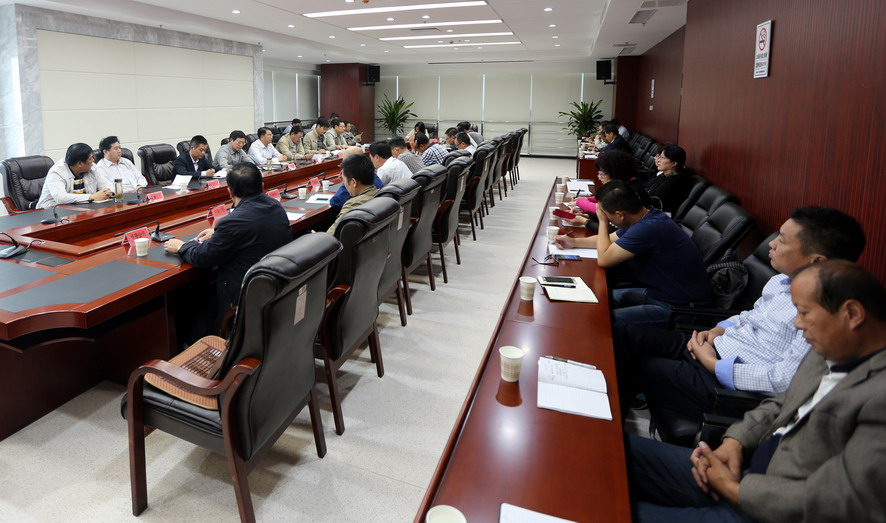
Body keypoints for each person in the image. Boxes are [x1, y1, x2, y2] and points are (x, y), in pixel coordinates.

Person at [626, 260, 886, 522]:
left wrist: (735, 490)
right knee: (620, 453)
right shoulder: (829, 350)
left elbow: (841, 499)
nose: (797, 324)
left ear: (852, 313)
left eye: (804, 313)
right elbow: (781, 403)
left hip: (773, 509)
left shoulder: (878, 396)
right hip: (744, 475)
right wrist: (734, 443)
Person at [615, 206, 866, 425]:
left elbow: (783, 380)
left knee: (633, 366)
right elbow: (748, 315)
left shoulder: (824, 316)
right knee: (623, 333)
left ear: (816, 260)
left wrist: (715, 365)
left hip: (725, 384)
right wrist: (717, 330)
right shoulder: (780, 281)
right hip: (714, 346)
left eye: (782, 240)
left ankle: (612, 441)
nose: (772, 244)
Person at [554, 180, 711, 328]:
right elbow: (610, 238)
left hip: (678, 307)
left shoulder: (648, 228)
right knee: (596, 300)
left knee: (602, 321)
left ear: (620, 215)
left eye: (606, 214)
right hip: (658, 293)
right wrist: (574, 242)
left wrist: (602, 221)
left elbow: (604, 259)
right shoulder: (644, 216)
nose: (605, 216)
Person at [163, 162, 292, 325]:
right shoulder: (276, 206)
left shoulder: (232, 222)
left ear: (229, 191)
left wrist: (182, 246)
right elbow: (251, 227)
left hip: (242, 296)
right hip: (275, 290)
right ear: (262, 185)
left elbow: (203, 258)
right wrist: (219, 233)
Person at [36, 142, 113, 208]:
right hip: (51, 210)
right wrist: (91, 197)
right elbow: (61, 198)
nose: (93, 160)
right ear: (80, 163)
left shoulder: (92, 167)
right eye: (90, 158)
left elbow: (106, 184)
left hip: (81, 207)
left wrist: (107, 191)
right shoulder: (56, 172)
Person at [326, 154, 380, 235]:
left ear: (353, 182)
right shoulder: (380, 193)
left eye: (343, 180)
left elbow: (329, 238)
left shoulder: (353, 205)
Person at [645, 144, 695, 215]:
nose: (658, 160)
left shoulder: (676, 180)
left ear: (674, 163)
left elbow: (655, 200)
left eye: (662, 158)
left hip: (660, 214)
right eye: (659, 157)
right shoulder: (666, 174)